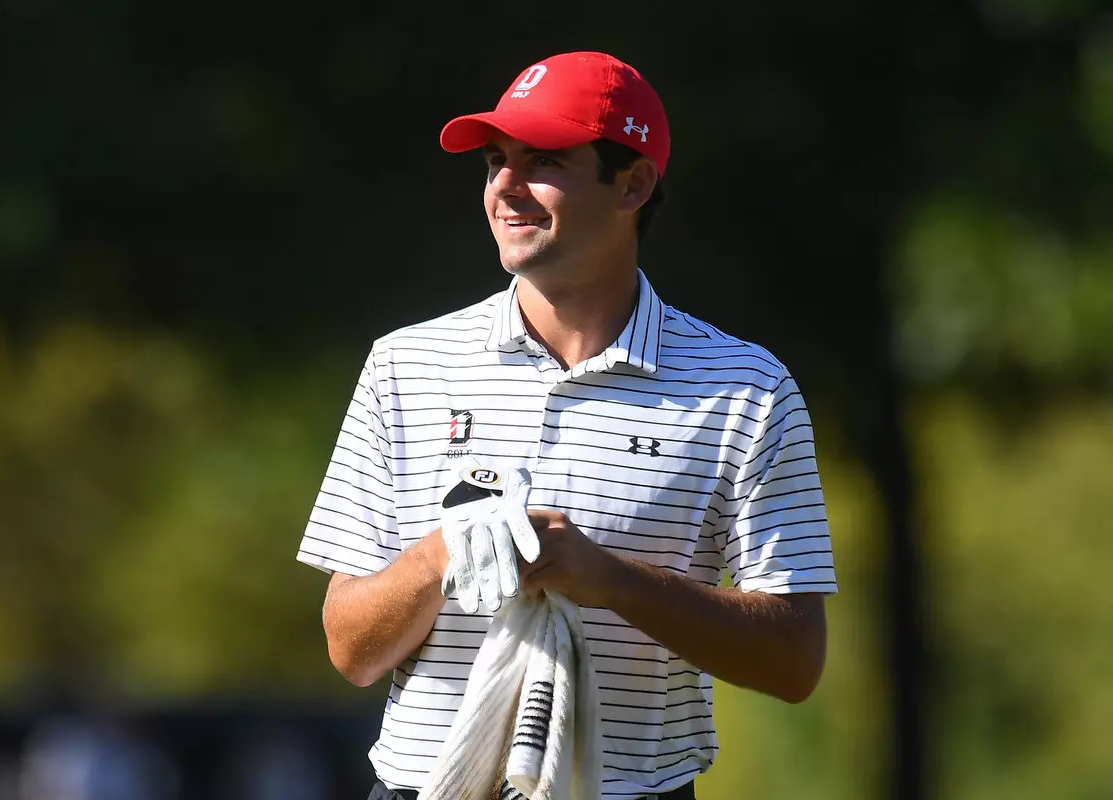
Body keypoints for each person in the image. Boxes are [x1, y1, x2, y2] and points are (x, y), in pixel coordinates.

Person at [297, 50, 838, 800]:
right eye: (495, 162)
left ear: (635, 183)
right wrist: (437, 557)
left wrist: (607, 579)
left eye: (543, 159)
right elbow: (350, 650)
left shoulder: (746, 389)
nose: (506, 188)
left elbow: (793, 659)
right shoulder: (405, 365)